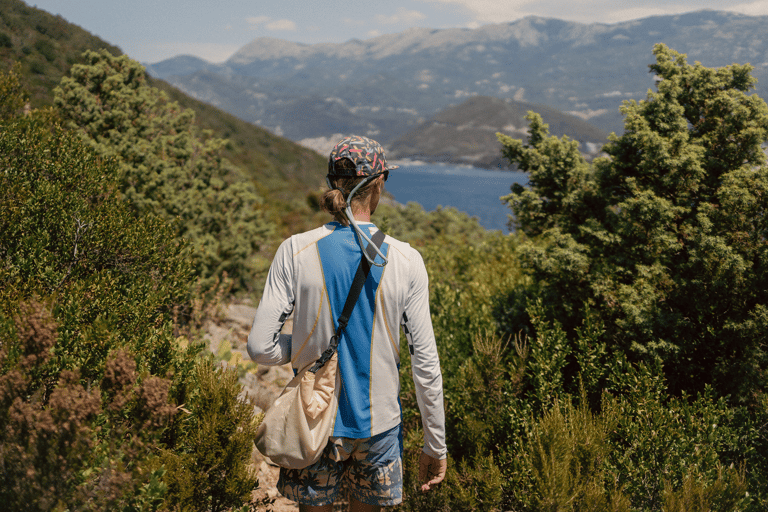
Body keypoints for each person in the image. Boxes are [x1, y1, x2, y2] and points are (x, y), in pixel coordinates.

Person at [247, 135, 447, 512]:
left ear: (331, 182)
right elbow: (425, 364)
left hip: (313, 420)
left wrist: (306, 343)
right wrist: (435, 444)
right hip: (380, 427)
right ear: (380, 184)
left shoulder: (295, 249)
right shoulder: (406, 259)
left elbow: (260, 347)